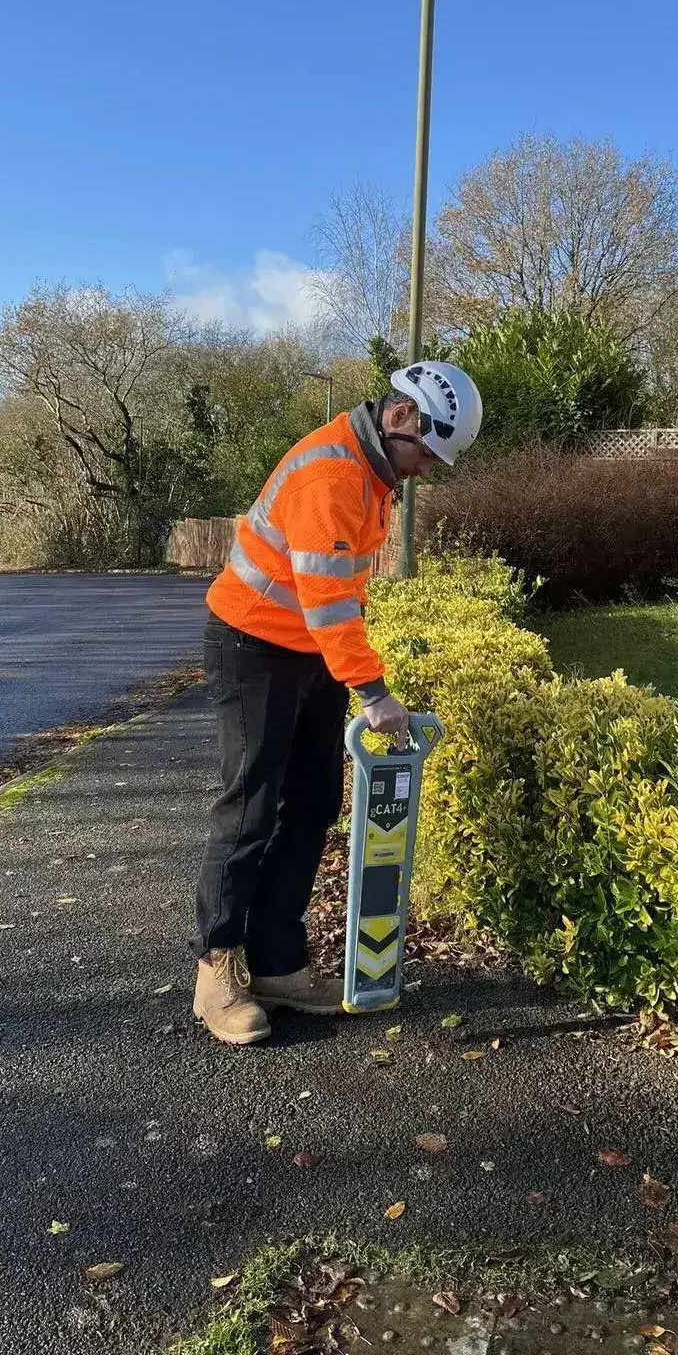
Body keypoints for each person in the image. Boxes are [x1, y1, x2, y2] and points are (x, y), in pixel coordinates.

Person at [192, 361, 484, 1045]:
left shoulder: (372, 471)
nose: (426, 471)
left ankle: (276, 962)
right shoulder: (332, 474)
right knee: (249, 806)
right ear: (402, 417)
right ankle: (217, 970)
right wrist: (374, 693)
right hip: (251, 643)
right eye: (427, 454)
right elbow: (325, 599)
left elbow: (338, 600)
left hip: (308, 650)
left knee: (315, 802)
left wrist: (349, 671)